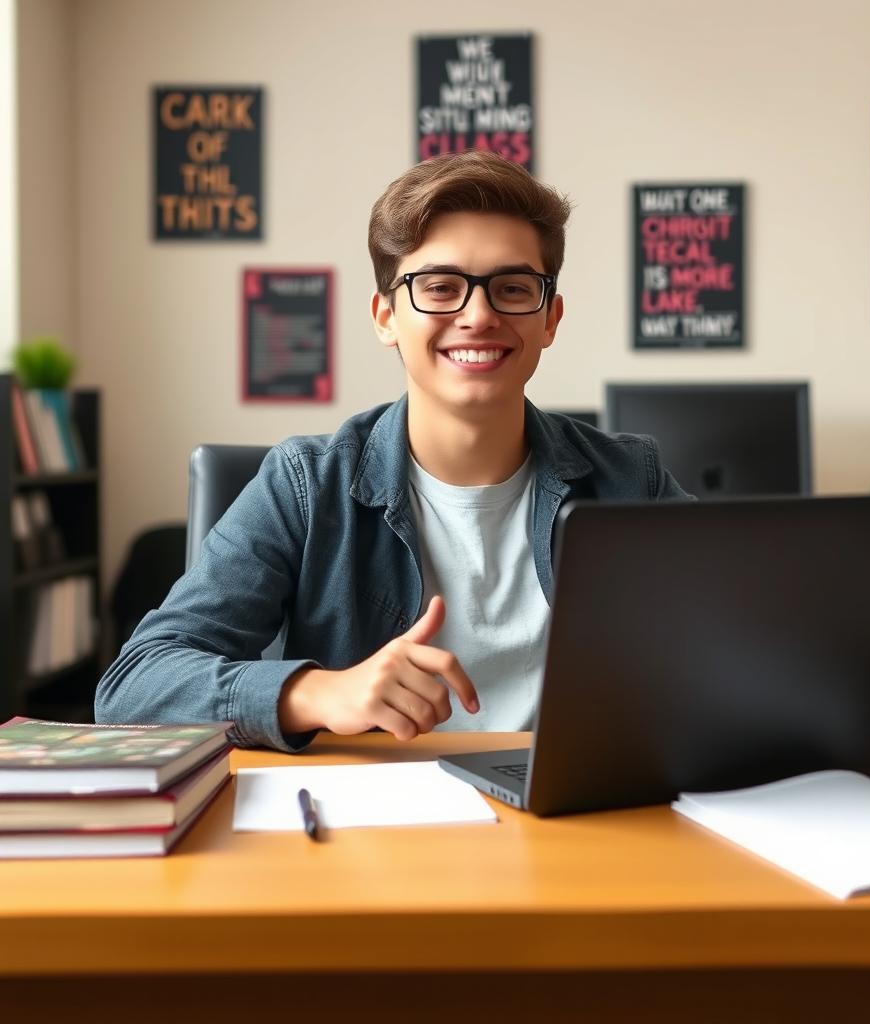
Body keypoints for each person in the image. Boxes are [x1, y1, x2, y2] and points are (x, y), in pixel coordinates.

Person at [95, 151, 691, 751]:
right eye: (439, 287)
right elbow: (133, 686)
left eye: (513, 288)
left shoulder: (629, 481)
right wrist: (321, 693)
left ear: (550, 319)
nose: (478, 315)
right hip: (376, 823)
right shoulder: (306, 485)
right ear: (385, 317)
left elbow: (747, 643)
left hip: (578, 819)